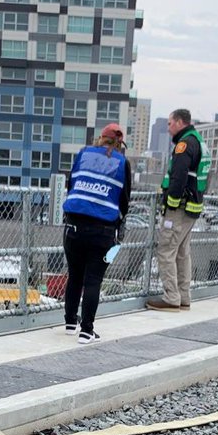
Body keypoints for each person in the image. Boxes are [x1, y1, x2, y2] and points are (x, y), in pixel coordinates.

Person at [61, 123, 131, 342]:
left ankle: (71, 321)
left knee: (75, 275)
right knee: (93, 280)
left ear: (100, 138)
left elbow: (71, 183)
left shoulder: (83, 154)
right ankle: (86, 330)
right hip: (103, 230)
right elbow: (124, 198)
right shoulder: (122, 162)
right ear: (120, 143)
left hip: (73, 226)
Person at [146, 108, 211, 311]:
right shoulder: (200, 142)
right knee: (182, 253)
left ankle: (171, 297)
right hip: (191, 207)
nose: (168, 127)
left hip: (179, 208)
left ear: (180, 122)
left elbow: (179, 176)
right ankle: (183, 297)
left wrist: (170, 203)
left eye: (170, 123)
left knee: (166, 250)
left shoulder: (185, 145)